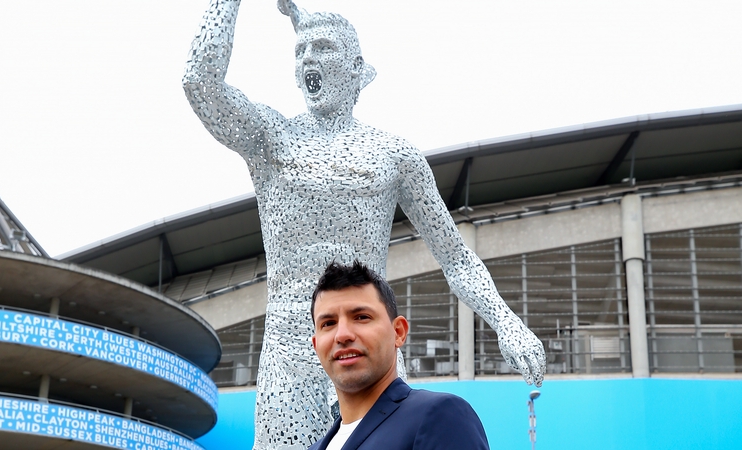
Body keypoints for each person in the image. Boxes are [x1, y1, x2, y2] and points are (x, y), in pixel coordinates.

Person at [183, 1, 544, 448]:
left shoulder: (394, 155)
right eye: (299, 52)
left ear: (357, 70)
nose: (307, 59)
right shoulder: (272, 140)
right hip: (289, 360)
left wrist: (508, 324)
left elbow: (455, 256)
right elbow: (200, 83)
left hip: (371, 353)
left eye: (322, 48)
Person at [309, 261, 490, 450]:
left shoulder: (440, 416)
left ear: (398, 332)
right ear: (316, 345)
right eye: (328, 323)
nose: (343, 335)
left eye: (362, 317)